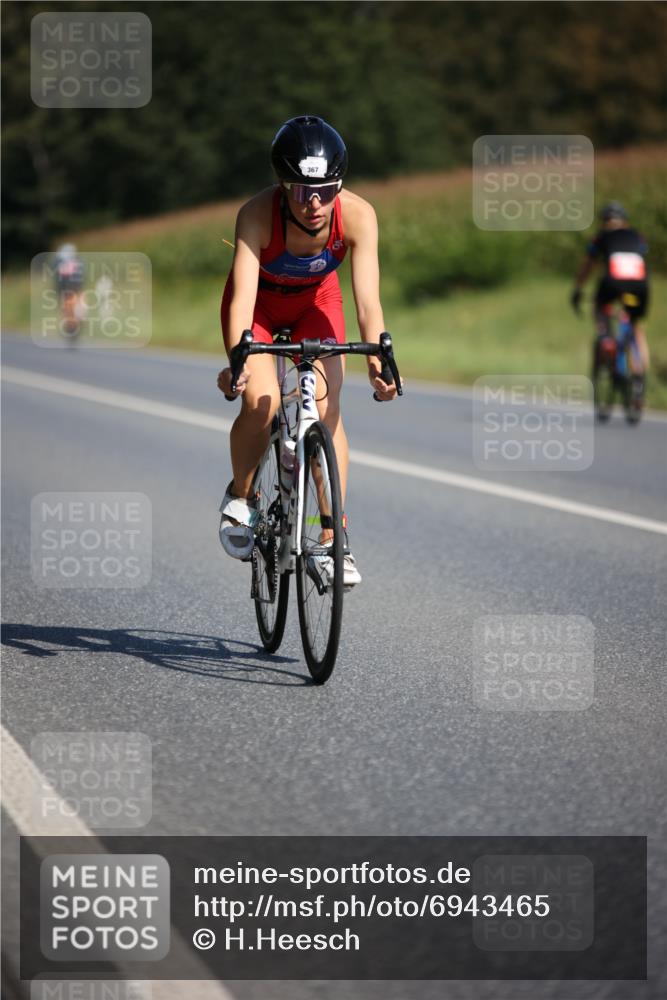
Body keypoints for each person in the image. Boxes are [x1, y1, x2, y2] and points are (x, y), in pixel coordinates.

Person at [217, 115, 399, 586]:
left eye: (326, 190)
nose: (315, 203)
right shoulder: (256, 215)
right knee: (262, 402)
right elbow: (241, 298)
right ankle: (243, 497)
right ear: (282, 187)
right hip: (259, 306)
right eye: (301, 191)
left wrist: (377, 362)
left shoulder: (358, 215)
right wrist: (238, 358)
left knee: (324, 406)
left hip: (316, 302)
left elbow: (368, 302)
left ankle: (332, 538)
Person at [571, 201, 650, 376]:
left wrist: (577, 289)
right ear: (625, 221)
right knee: (636, 328)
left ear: (604, 221)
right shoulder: (638, 236)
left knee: (600, 307)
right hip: (640, 287)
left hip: (612, 284)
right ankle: (640, 376)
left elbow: (587, 266)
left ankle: (606, 339)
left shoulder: (601, 237)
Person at [54, 243, 85, 336]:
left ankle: (76, 320)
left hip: (72, 289)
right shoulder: (66, 264)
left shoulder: (74, 263)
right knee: (69, 307)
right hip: (68, 289)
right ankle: (72, 322)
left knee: (75, 305)